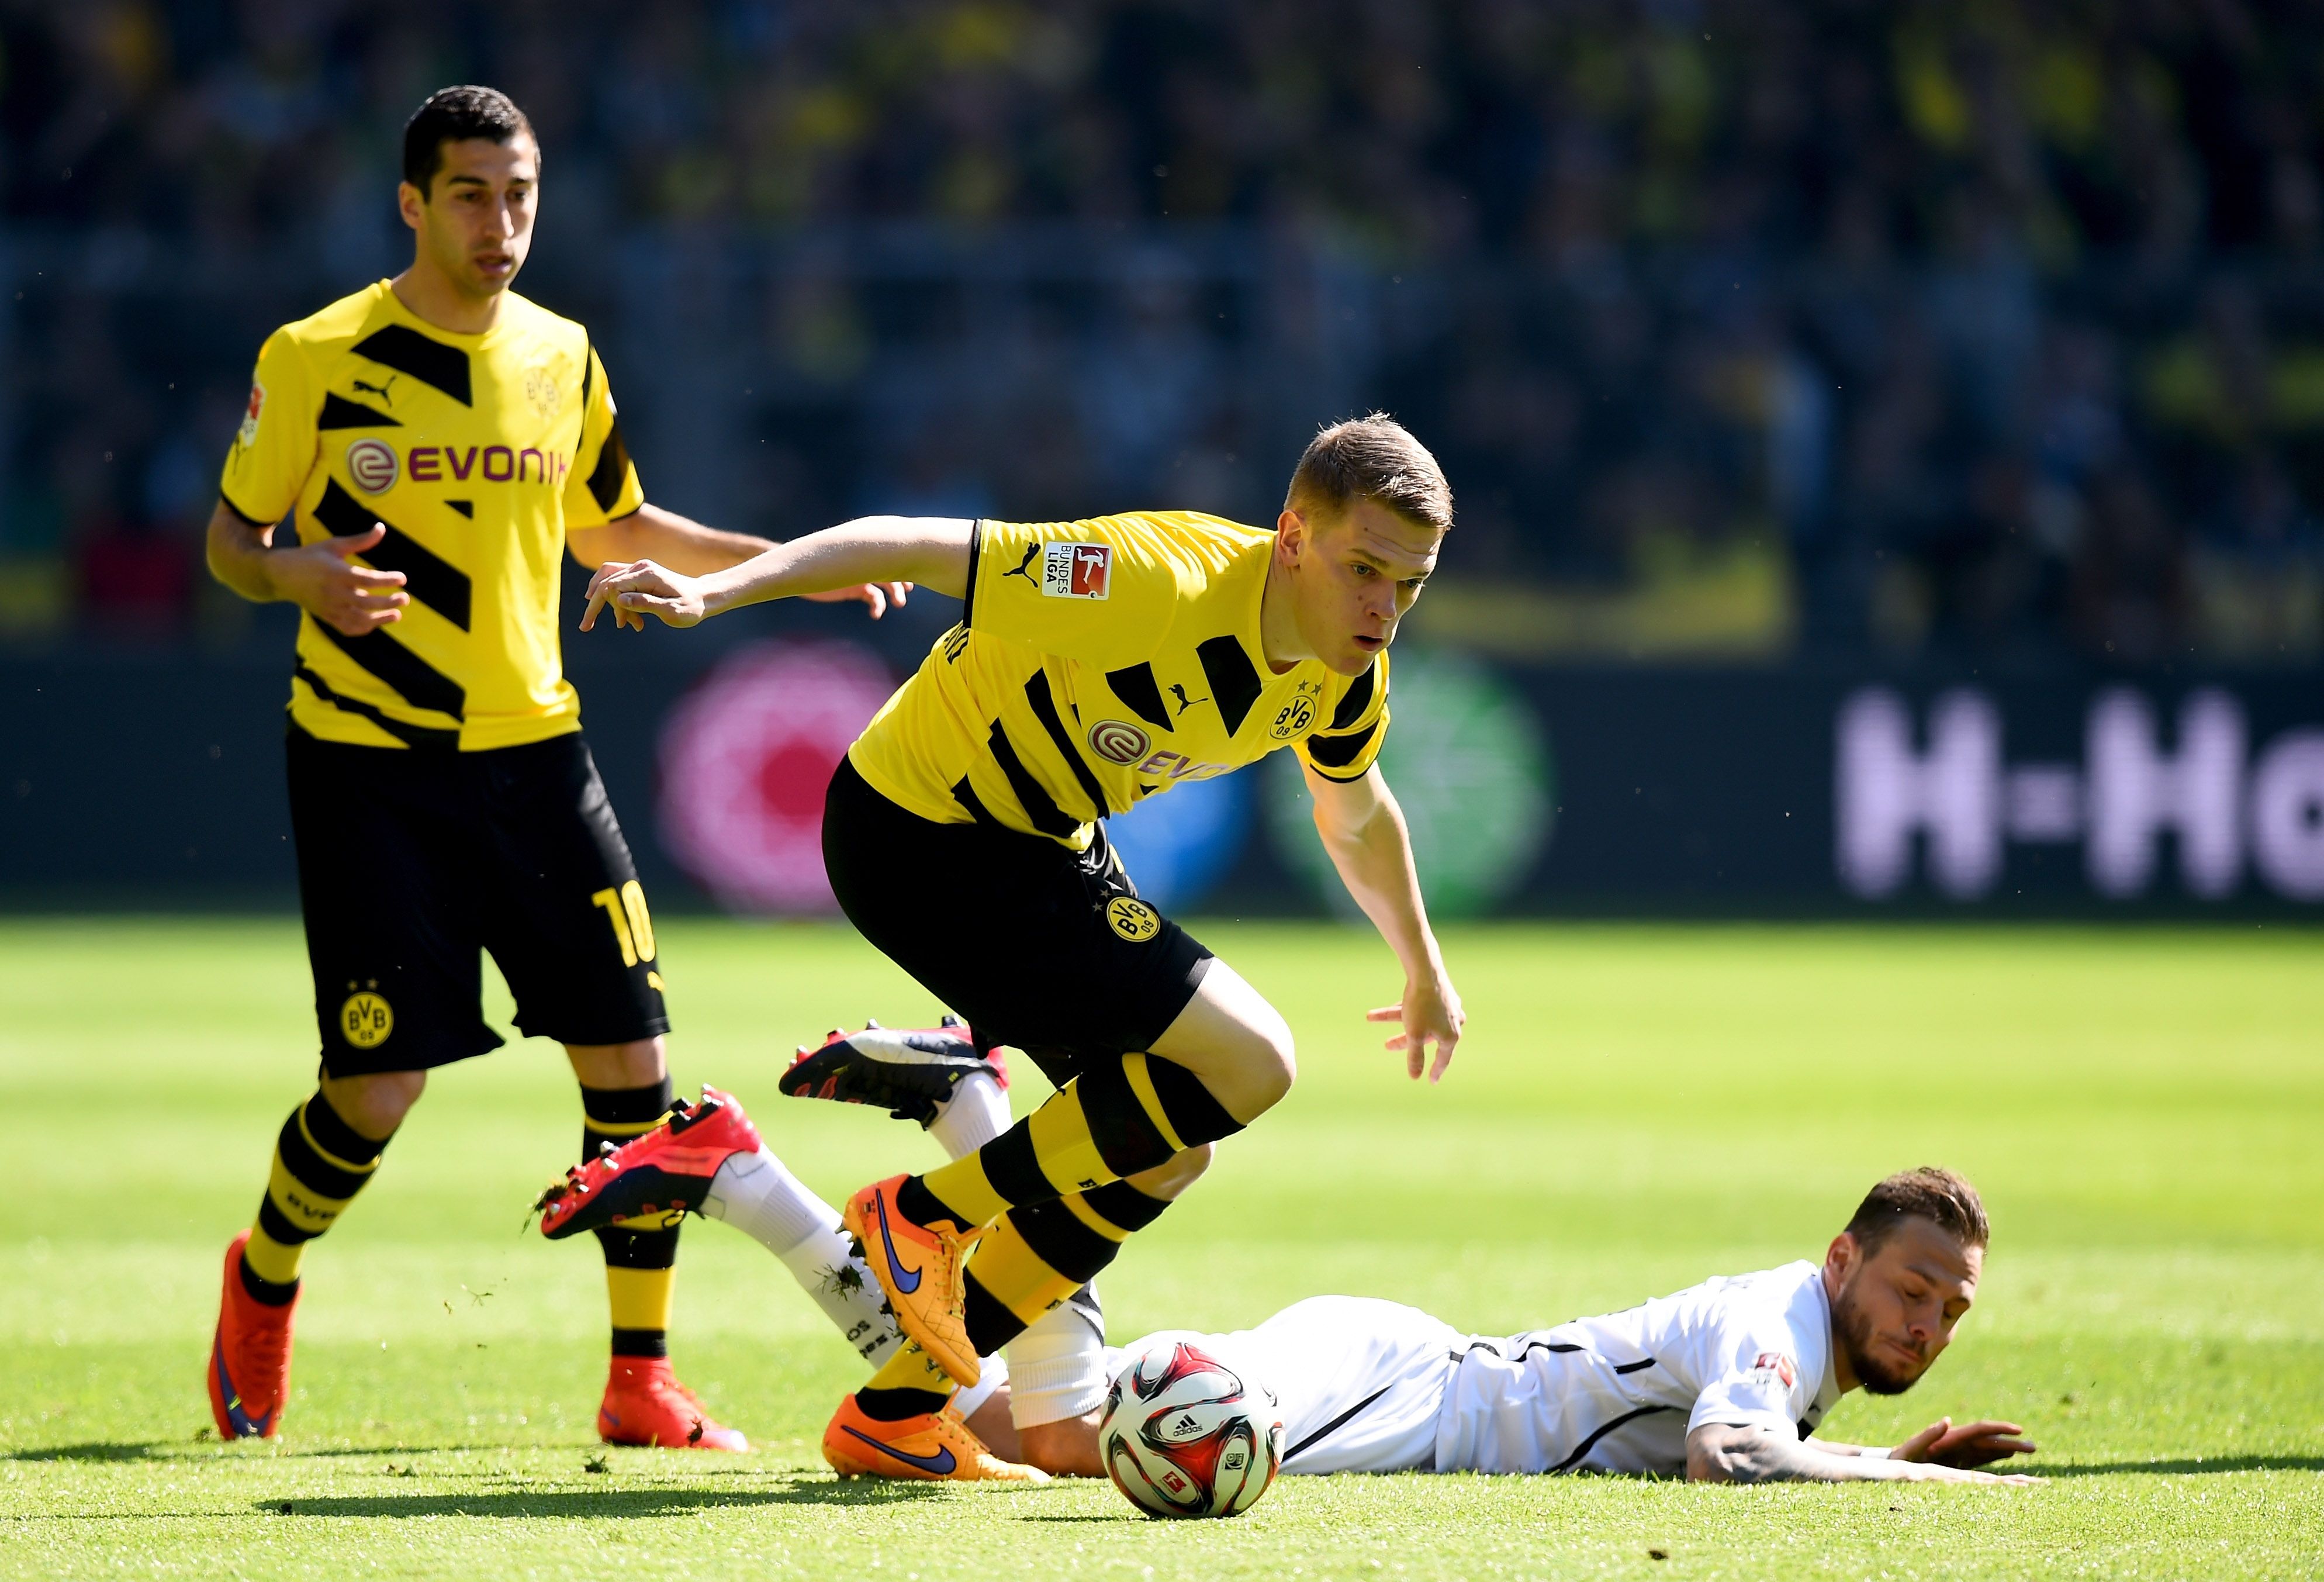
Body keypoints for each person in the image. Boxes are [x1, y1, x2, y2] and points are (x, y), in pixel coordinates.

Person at [199, 84, 901, 1450]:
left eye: (519, 195)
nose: (500, 223)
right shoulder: (318, 356)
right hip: (368, 767)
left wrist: (782, 577)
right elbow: (231, 541)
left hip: (536, 757)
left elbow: (614, 522)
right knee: (376, 1092)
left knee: (635, 1077)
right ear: (411, 203)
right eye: (470, 194)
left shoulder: (563, 355)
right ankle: (265, 1278)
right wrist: (299, 575)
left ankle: (640, 1381)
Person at [575, 415, 1467, 1476]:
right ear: (1290, 538)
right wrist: (712, 595)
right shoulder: (1153, 579)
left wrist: (1423, 965)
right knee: (1253, 1058)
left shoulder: (1343, 670)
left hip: (1040, 842)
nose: (1384, 609)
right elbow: (909, 543)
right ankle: (923, 1213)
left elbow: (1356, 814)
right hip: (917, 831)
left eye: (1408, 585)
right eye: (1364, 568)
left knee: (1167, 1141)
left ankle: (897, 1413)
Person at [548, 1120, 2037, 1487]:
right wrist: (1907, 1485)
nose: (1927, 1326)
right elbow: (1731, 1458)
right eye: (1912, 1288)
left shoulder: (1795, 1328)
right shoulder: (1777, 1320)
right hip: (1407, 1402)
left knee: (972, 1429)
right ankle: (966, 1106)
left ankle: (746, 1180)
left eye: (1949, 1311)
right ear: (1842, 1260)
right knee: (1057, 1440)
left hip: (1389, 1370)